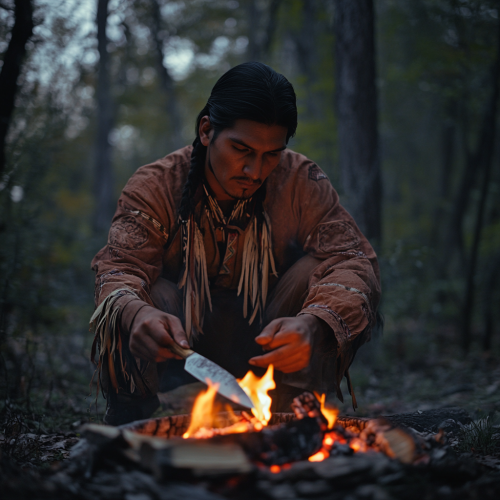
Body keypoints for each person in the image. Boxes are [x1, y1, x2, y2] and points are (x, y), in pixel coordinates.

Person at [90, 62, 381, 426]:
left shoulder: (300, 181)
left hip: (268, 345)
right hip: (179, 344)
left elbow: (354, 261)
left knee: (318, 269)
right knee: (131, 301)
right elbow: (118, 270)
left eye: (271, 155)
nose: (255, 171)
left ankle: (290, 417)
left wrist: (314, 324)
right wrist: (138, 315)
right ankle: (129, 420)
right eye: (241, 149)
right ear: (207, 130)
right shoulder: (156, 185)